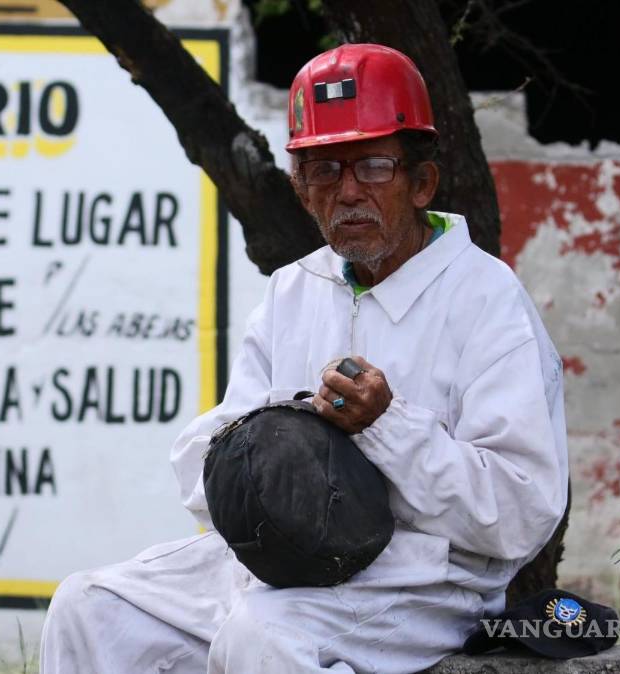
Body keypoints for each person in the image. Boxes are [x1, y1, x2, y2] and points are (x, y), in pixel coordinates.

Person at [38, 43, 569, 674]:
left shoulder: (485, 298)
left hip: (423, 584)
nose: (348, 193)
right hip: (274, 569)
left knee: (263, 637)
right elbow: (206, 469)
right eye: (323, 170)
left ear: (420, 181)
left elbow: (519, 514)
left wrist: (387, 426)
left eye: (372, 166)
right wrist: (275, 436)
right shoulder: (294, 287)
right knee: (88, 607)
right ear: (300, 189)